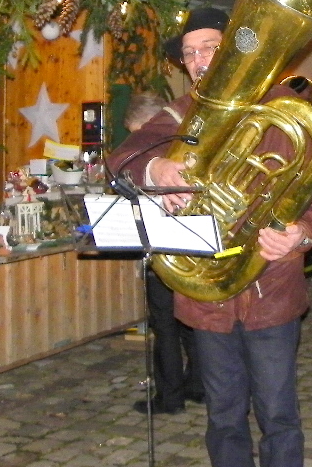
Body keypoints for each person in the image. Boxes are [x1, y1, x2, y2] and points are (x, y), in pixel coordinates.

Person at [107, 8, 312, 467]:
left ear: (234, 48)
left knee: (278, 413)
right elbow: (122, 159)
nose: (199, 60)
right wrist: (157, 167)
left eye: (210, 47)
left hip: (270, 284)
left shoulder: (284, 108)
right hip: (207, 294)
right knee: (224, 414)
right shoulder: (180, 113)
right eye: (190, 53)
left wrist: (300, 235)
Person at [122, 90, 205, 416]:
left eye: (139, 132)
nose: (138, 141)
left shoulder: (160, 153)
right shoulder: (189, 146)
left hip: (165, 245)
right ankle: (199, 386)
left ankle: (170, 397)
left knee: (165, 325)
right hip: (193, 245)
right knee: (191, 320)